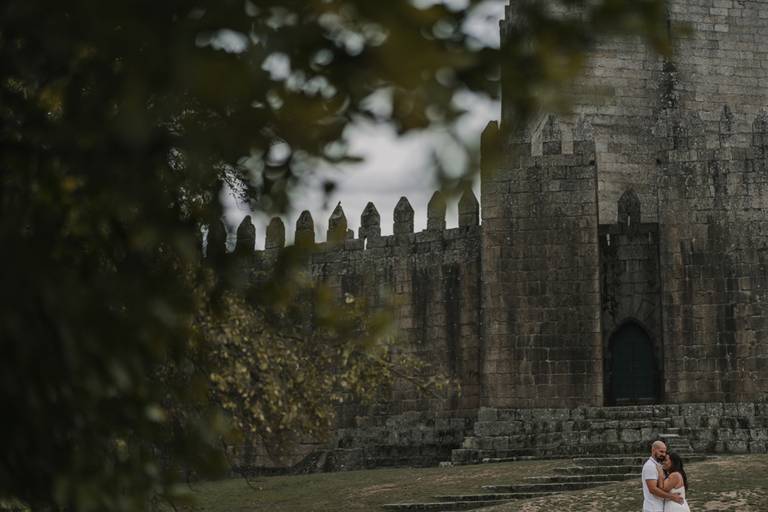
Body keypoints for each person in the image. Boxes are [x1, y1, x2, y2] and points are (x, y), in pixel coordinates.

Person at [642, 440, 685, 512]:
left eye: (665, 452)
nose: (664, 454)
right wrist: (672, 497)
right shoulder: (650, 466)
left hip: (660, 507)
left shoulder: (658, 466)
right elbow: (652, 489)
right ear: (653, 450)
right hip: (652, 507)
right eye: (661, 452)